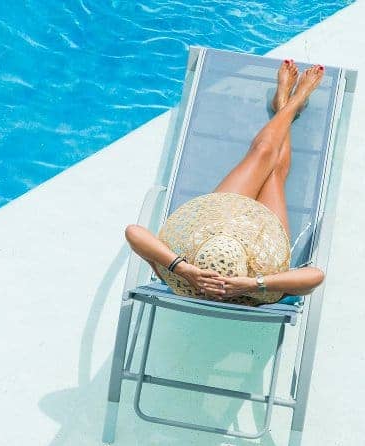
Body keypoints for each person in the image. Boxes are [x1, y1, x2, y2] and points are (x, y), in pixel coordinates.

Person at [124, 60, 327, 303]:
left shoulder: (181, 275)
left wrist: (184, 269)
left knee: (262, 153)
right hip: (259, 250)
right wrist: (253, 282)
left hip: (219, 226)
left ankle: (288, 103)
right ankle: (291, 102)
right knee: (273, 172)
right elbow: (315, 276)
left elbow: (133, 232)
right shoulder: (256, 288)